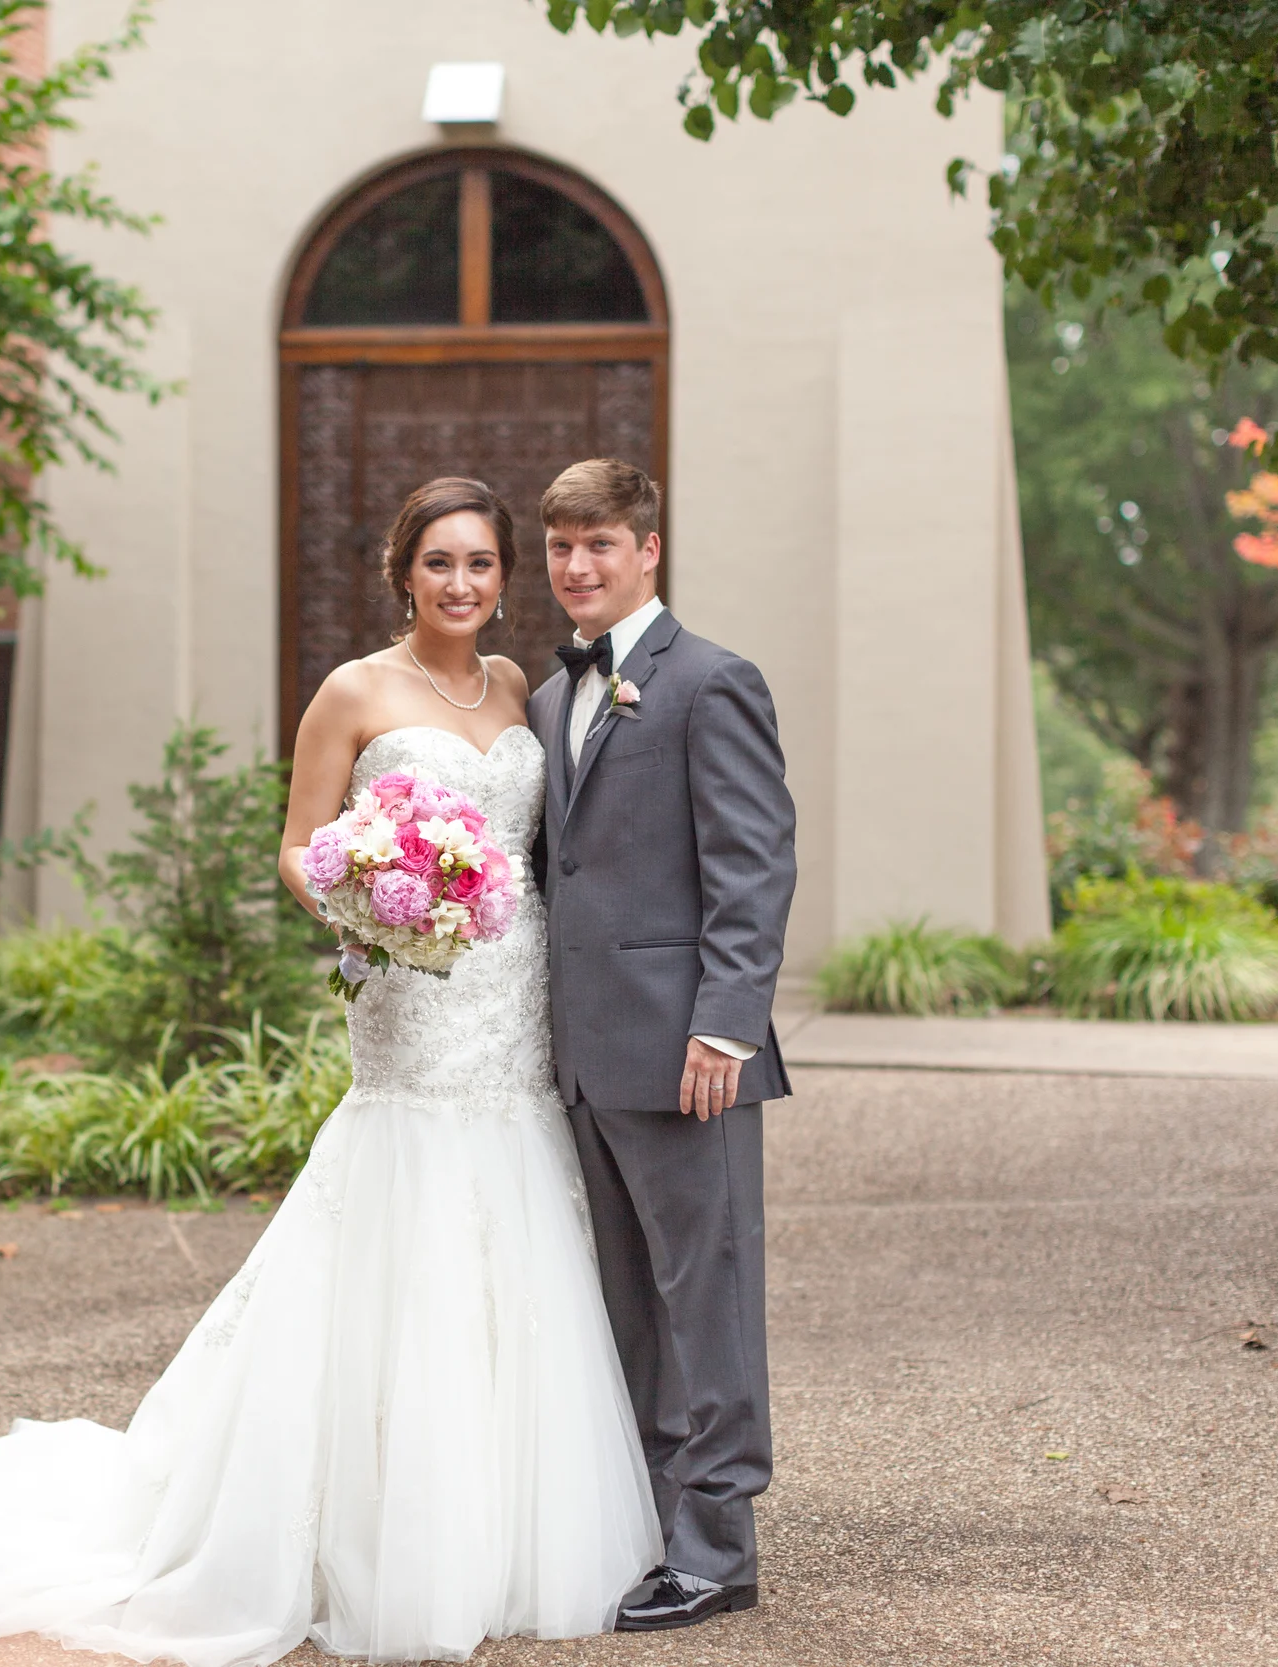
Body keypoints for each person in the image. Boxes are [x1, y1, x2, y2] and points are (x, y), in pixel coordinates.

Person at [0, 476, 658, 1666]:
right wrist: (372, 911)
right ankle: (359, 1525)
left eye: (480, 564)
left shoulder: (521, 687)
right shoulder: (352, 690)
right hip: (410, 996)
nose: (461, 584)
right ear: (402, 569)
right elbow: (300, 845)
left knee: (517, 1222)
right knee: (405, 1212)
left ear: (504, 577)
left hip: (517, 1000)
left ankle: (504, 1519)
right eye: (438, 563)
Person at [526, 457, 795, 1631]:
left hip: (690, 1054)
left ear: (647, 548)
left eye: (600, 544)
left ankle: (718, 1546)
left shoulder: (710, 682)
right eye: (560, 547)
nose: (578, 567)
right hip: (584, 1053)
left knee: (709, 1296)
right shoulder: (550, 697)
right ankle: (645, 1520)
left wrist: (725, 1024)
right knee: (626, 1303)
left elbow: (753, 865)